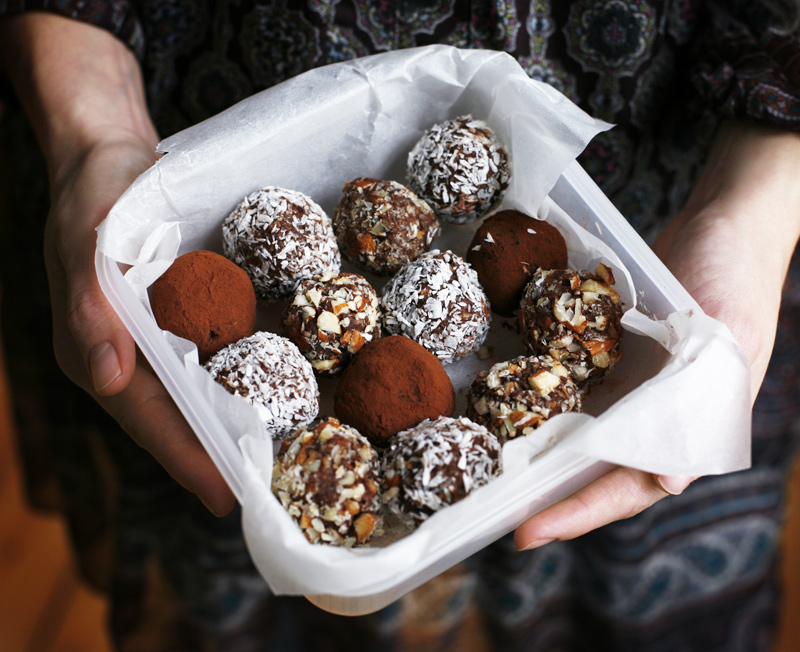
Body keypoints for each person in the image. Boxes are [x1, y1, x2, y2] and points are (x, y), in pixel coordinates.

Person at [0, 2, 799, 650]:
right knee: (240, 578)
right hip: (186, 127)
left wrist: (754, 216)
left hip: (664, 174)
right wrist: (90, 131)